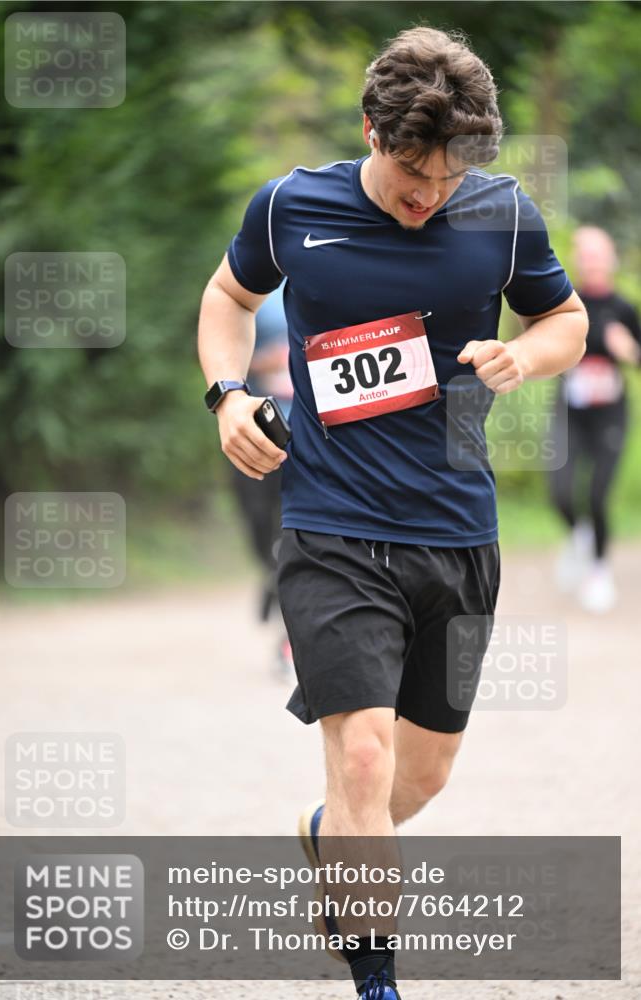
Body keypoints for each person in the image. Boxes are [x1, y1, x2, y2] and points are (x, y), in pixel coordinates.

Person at [197, 25, 588, 1000]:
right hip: (329, 520)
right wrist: (227, 394)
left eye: (451, 178)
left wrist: (521, 357)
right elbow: (226, 297)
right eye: (416, 174)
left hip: (456, 531)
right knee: (362, 753)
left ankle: (330, 836)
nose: (431, 198)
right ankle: (376, 978)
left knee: (418, 777)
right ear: (371, 131)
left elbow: (566, 319)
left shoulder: (501, 215)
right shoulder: (292, 204)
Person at [550, 226, 641, 612]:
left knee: (598, 494)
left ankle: (599, 572)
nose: (593, 262)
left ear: (612, 260)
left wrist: (629, 350)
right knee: (561, 490)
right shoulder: (566, 303)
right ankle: (580, 536)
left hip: (610, 415)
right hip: (570, 411)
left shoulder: (624, 308)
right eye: (585, 255)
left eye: (599, 254)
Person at [226, 284, 294, 671]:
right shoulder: (249, 279)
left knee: (294, 538)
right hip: (256, 429)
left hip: (312, 434)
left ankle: (290, 643)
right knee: (261, 534)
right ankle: (271, 578)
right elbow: (220, 344)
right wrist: (264, 363)